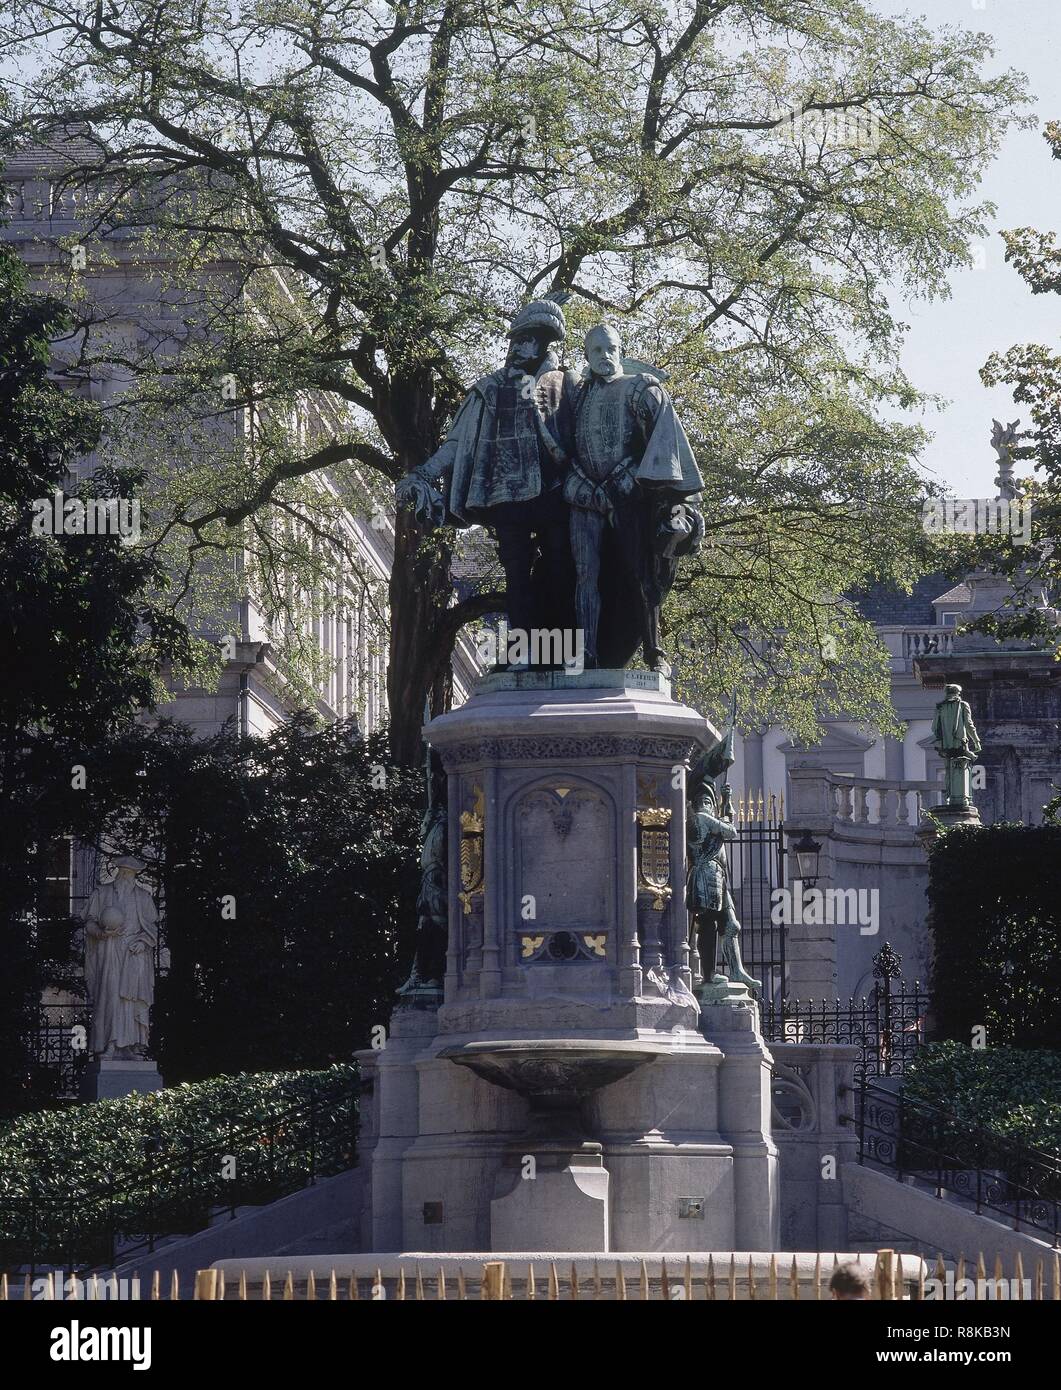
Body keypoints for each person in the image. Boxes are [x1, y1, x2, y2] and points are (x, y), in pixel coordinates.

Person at [396, 294, 579, 644]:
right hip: (506, 495)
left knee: (561, 566)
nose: (518, 347)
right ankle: (525, 650)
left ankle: (565, 648)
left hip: (554, 492)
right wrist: (424, 473)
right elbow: (456, 442)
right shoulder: (490, 388)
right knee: (516, 573)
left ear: (544, 342)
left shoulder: (564, 383)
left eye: (527, 339)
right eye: (517, 340)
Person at [566, 323, 704, 669]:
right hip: (583, 496)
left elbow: (667, 447)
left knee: (641, 572)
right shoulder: (577, 397)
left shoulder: (642, 388)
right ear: (587, 355)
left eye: (610, 348)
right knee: (585, 574)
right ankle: (585, 652)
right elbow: (566, 445)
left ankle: (653, 650)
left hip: (627, 493)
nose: (605, 355)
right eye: (597, 350)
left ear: (621, 350)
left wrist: (676, 505)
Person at [686, 728, 760, 997]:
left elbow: (726, 827)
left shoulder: (709, 818)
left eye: (710, 799)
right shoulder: (700, 818)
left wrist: (727, 803)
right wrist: (725, 810)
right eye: (706, 799)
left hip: (718, 876)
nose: (708, 802)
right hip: (706, 875)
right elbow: (730, 831)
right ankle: (707, 975)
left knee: (731, 925)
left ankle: (736, 970)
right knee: (707, 924)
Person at [83, 855, 158, 1058]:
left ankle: (133, 1046)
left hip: (134, 956)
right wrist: (102, 933)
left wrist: (143, 942)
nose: (126, 876)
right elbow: (89, 923)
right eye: (123, 872)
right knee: (111, 998)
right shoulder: (102, 893)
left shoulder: (143, 897)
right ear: (118, 872)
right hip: (110, 951)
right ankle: (110, 1043)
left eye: (130, 873)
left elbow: (151, 928)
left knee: (131, 1002)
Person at [930, 682, 982, 808]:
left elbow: (934, 727)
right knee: (963, 768)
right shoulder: (963, 705)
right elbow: (969, 725)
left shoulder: (940, 707)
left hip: (945, 745)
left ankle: (949, 797)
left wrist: (942, 737)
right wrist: (976, 741)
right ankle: (964, 799)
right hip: (959, 742)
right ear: (958, 693)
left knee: (948, 770)